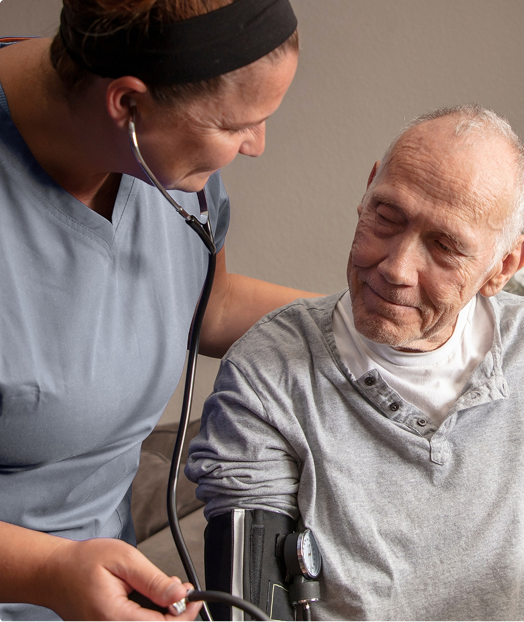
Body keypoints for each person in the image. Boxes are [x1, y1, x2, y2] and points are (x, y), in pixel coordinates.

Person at [188, 104, 524, 621]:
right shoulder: (267, 372)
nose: (396, 268)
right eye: (387, 216)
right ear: (368, 190)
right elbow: (248, 610)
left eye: (445, 247)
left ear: (504, 265)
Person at [0, 1, 321, 620]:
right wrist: (50, 574)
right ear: (127, 104)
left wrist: (364, 323)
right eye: (236, 125)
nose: (255, 145)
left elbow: (205, 300)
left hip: (105, 581)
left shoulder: (166, 163)